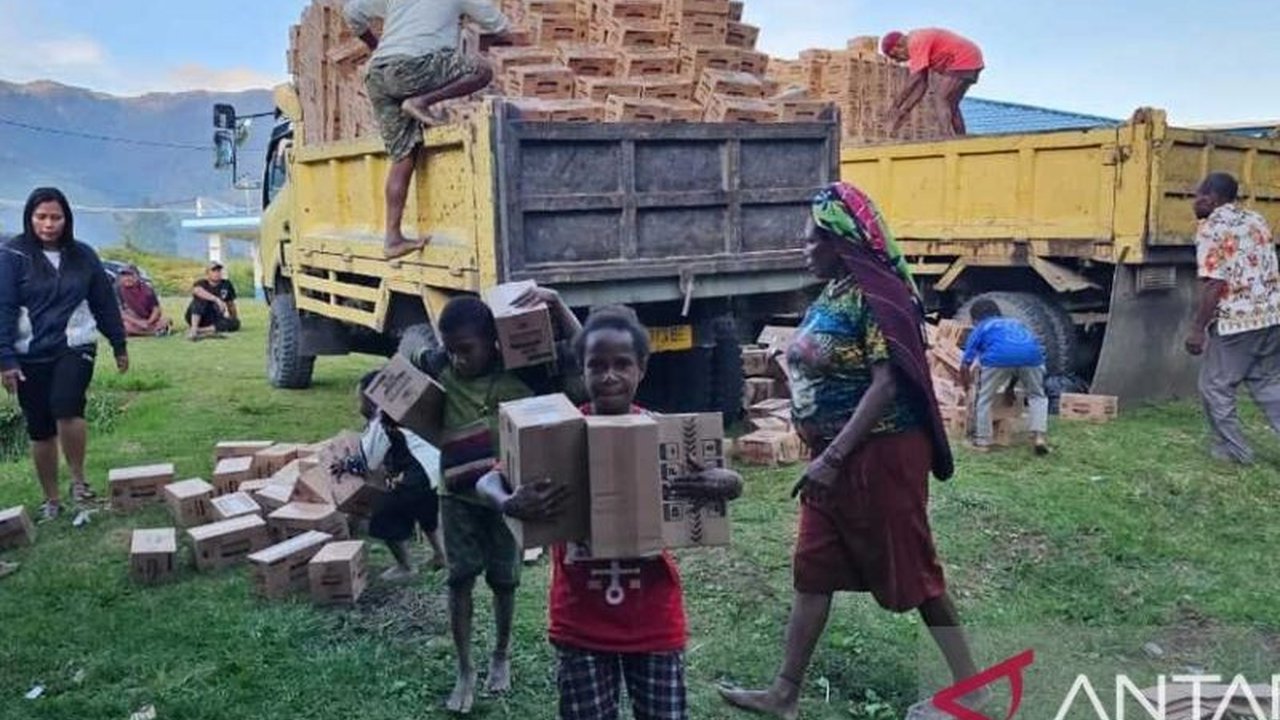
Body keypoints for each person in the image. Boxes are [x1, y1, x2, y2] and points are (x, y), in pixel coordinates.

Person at [719, 183, 983, 720]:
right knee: (813, 566)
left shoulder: (879, 297)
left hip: (880, 455)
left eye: (812, 240)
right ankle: (784, 693)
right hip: (833, 458)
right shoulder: (834, 292)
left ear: (843, 242)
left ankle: (972, 688)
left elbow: (887, 382)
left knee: (915, 571)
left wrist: (833, 456)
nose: (804, 249)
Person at [475, 306, 743, 720]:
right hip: (580, 620)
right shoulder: (557, 435)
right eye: (596, 366)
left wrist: (731, 484)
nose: (609, 376)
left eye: (622, 364)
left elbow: (724, 479)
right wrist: (507, 501)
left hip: (653, 619)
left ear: (642, 369)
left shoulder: (664, 435)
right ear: (581, 371)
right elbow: (489, 479)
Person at [408, 287, 581, 713]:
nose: (458, 359)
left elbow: (582, 350)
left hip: (510, 498)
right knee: (459, 578)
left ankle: (501, 654)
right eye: (451, 350)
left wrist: (557, 305)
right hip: (459, 498)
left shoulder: (529, 373)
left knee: (504, 581)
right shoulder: (443, 366)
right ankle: (465, 667)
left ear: (494, 341)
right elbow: (409, 356)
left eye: (467, 349)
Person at [0, 187, 130, 521]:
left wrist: (119, 344)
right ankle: (52, 498)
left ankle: (79, 482)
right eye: (41, 217)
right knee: (40, 427)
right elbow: (4, 308)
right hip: (28, 353)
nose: (48, 224)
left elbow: (104, 301)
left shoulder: (84, 255)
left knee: (67, 405)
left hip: (75, 345)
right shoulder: (13, 255)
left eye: (55, 217)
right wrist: (6, 360)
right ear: (30, 218)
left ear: (66, 219)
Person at [344, 0, 510, 259]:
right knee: (481, 69)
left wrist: (376, 47)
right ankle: (421, 101)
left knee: (403, 155)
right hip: (416, 66)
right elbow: (500, 26)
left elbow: (351, 12)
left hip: (378, 74)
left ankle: (393, 238)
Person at [1184, 172, 1280, 465]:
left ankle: (1233, 451)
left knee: (1214, 385)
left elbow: (1215, 283)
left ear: (1212, 197)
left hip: (1237, 322)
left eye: (1197, 196)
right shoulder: (1256, 220)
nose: (1194, 202)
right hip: (1271, 316)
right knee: (1267, 384)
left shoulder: (1212, 227)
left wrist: (1198, 330)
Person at [333, 370, 447, 581]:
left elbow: (369, 461)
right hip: (435, 468)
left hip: (416, 473)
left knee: (385, 513)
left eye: (360, 398)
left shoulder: (382, 420)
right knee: (426, 512)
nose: (358, 405)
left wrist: (345, 464)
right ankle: (442, 556)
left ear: (371, 398)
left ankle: (405, 567)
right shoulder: (406, 411)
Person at [959, 300, 1050, 454]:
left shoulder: (981, 327)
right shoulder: (1016, 323)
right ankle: (1039, 438)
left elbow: (965, 364)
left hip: (997, 359)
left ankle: (982, 442)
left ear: (975, 319)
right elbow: (1017, 359)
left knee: (983, 400)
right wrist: (1010, 388)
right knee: (1037, 396)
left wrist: (967, 386)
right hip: (1033, 357)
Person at [882, 28, 984, 137]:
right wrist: (905, 111)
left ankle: (947, 137)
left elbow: (914, 80)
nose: (898, 61)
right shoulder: (919, 46)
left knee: (940, 98)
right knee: (951, 105)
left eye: (894, 56)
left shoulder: (915, 42)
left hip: (963, 57)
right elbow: (921, 86)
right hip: (971, 57)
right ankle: (961, 138)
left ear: (898, 45)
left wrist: (895, 106)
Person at [185, 262, 240, 340]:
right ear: (207, 273)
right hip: (197, 314)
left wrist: (233, 318)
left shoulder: (226, 284)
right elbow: (197, 291)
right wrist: (216, 299)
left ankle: (200, 330)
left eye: (219, 271)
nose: (217, 273)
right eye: (214, 271)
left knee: (235, 323)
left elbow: (230, 303)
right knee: (200, 299)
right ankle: (194, 329)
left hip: (214, 316)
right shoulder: (201, 283)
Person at [117, 265, 172, 337]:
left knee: (166, 321)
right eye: (124, 276)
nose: (126, 278)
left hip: (148, 319)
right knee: (122, 326)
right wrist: (138, 322)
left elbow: (156, 309)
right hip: (131, 319)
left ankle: (146, 330)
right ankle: (153, 332)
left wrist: (148, 322)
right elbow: (119, 312)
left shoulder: (147, 289)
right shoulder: (118, 289)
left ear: (137, 276)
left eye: (130, 275)